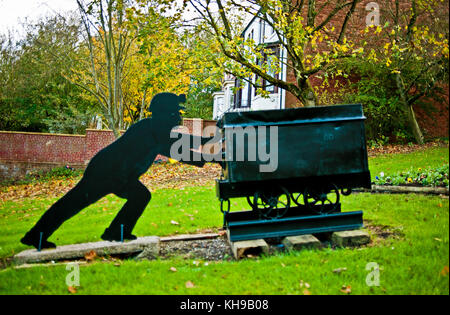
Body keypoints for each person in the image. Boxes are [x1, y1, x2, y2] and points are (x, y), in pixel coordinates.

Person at [21, 92, 215, 249]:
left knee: (138, 196)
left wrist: (212, 154)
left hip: (119, 175)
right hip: (106, 172)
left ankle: (115, 232)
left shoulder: (155, 131)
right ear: (165, 113)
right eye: (175, 112)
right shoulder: (151, 129)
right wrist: (211, 146)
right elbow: (183, 146)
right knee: (73, 203)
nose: (179, 116)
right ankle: (36, 236)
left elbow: (181, 150)